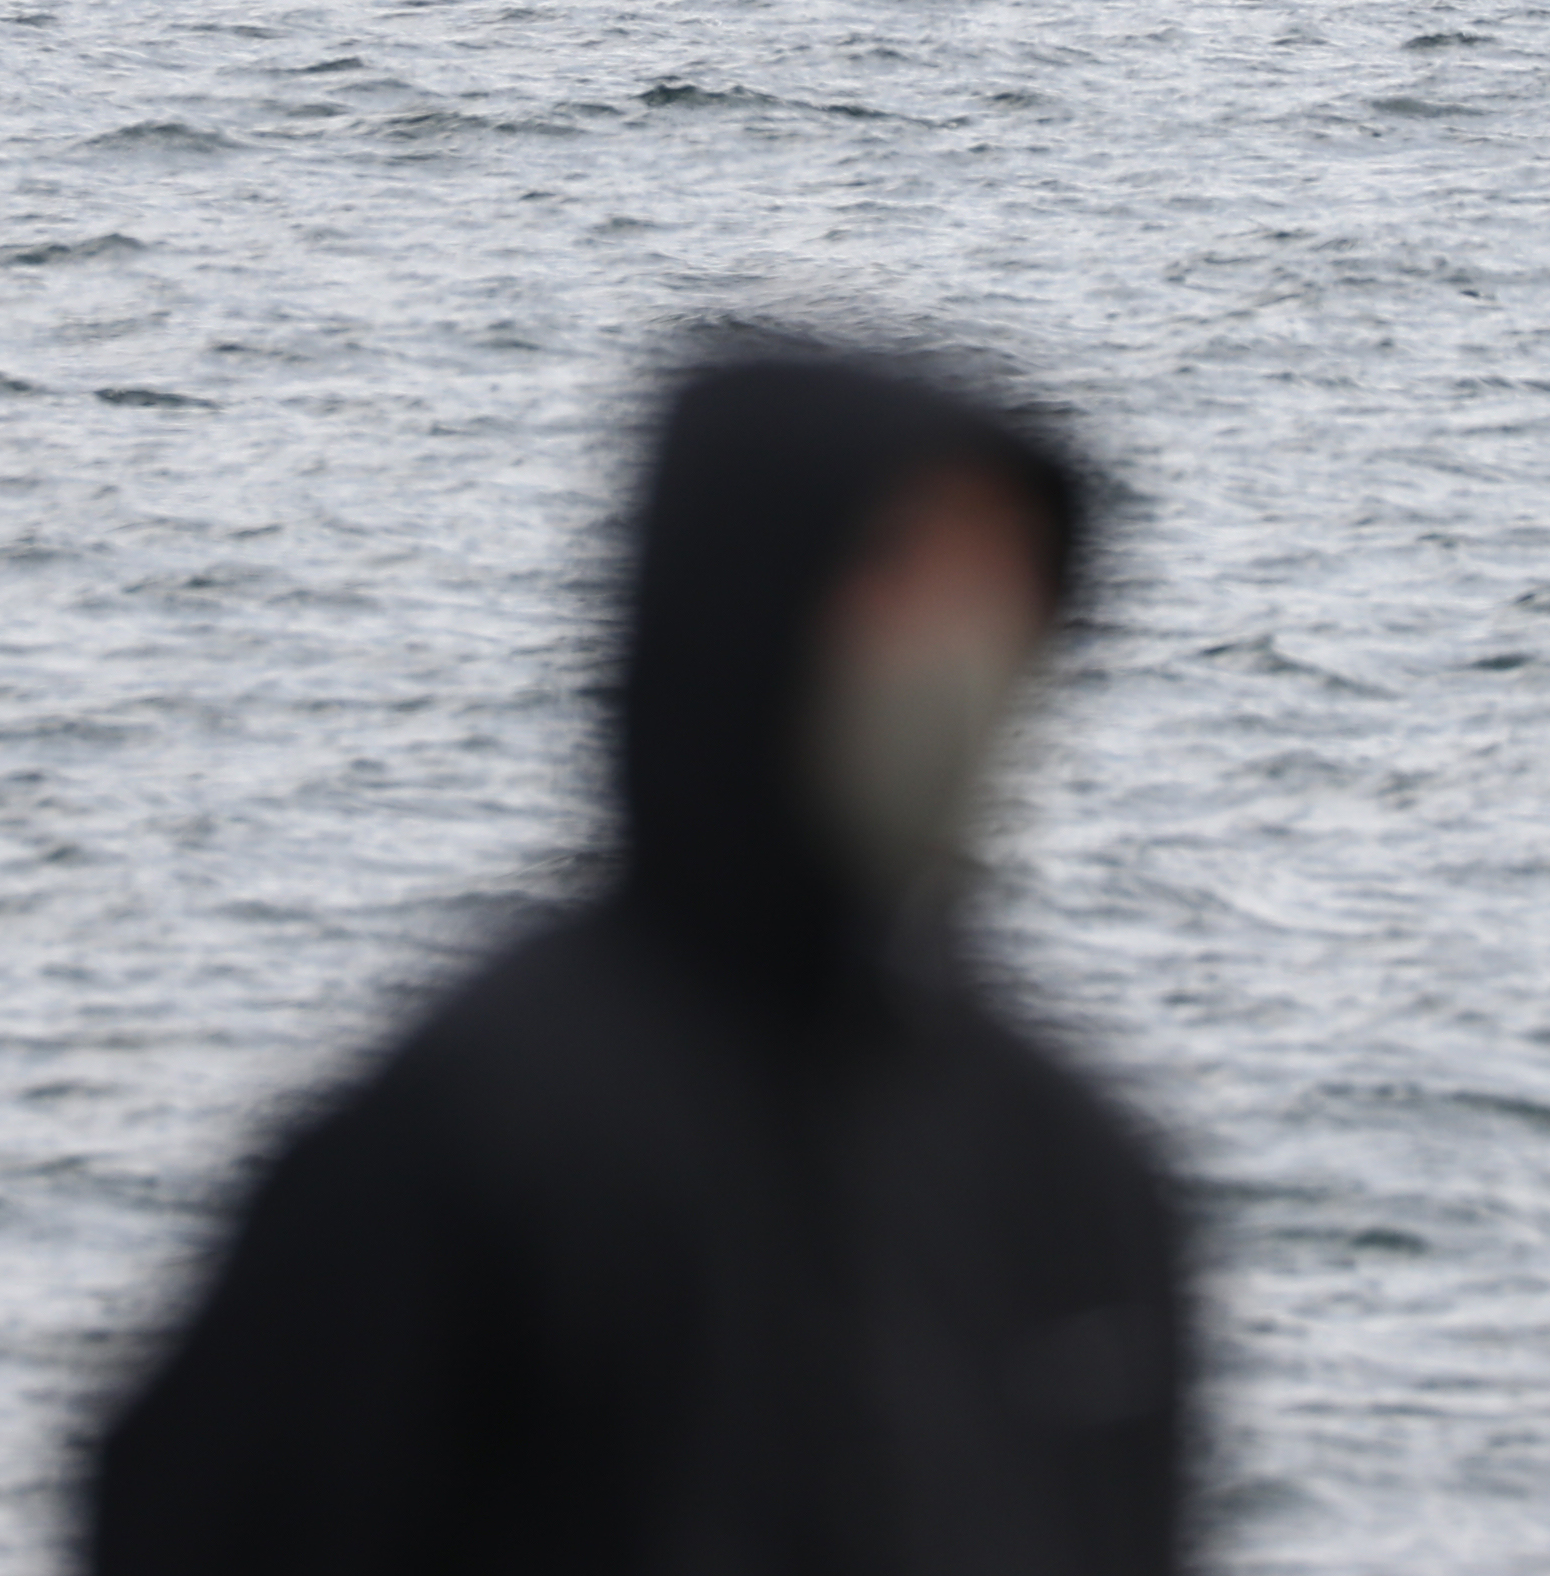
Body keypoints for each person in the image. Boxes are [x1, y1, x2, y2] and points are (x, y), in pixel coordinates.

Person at [83, 327, 1193, 1576]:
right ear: (747, 603)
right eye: (897, 566)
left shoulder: (1077, 1176)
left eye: (1004, 578)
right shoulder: (471, 1144)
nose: (957, 640)